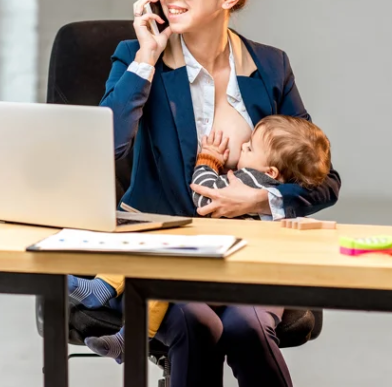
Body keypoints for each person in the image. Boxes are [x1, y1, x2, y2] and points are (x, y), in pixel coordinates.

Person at [98, 0, 341, 387]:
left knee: (247, 325)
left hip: (247, 251)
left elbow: (324, 179)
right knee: (195, 319)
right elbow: (102, 149)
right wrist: (147, 59)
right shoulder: (135, 56)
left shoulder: (269, 67)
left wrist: (261, 196)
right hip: (162, 253)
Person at [70, 115, 332, 363]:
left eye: (250, 148)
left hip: (220, 268)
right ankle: (110, 304)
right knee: (156, 263)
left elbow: (205, 194)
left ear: (272, 171)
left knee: (157, 268)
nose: (243, 146)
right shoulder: (273, 188)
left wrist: (207, 161)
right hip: (230, 265)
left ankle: (113, 307)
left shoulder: (251, 180)